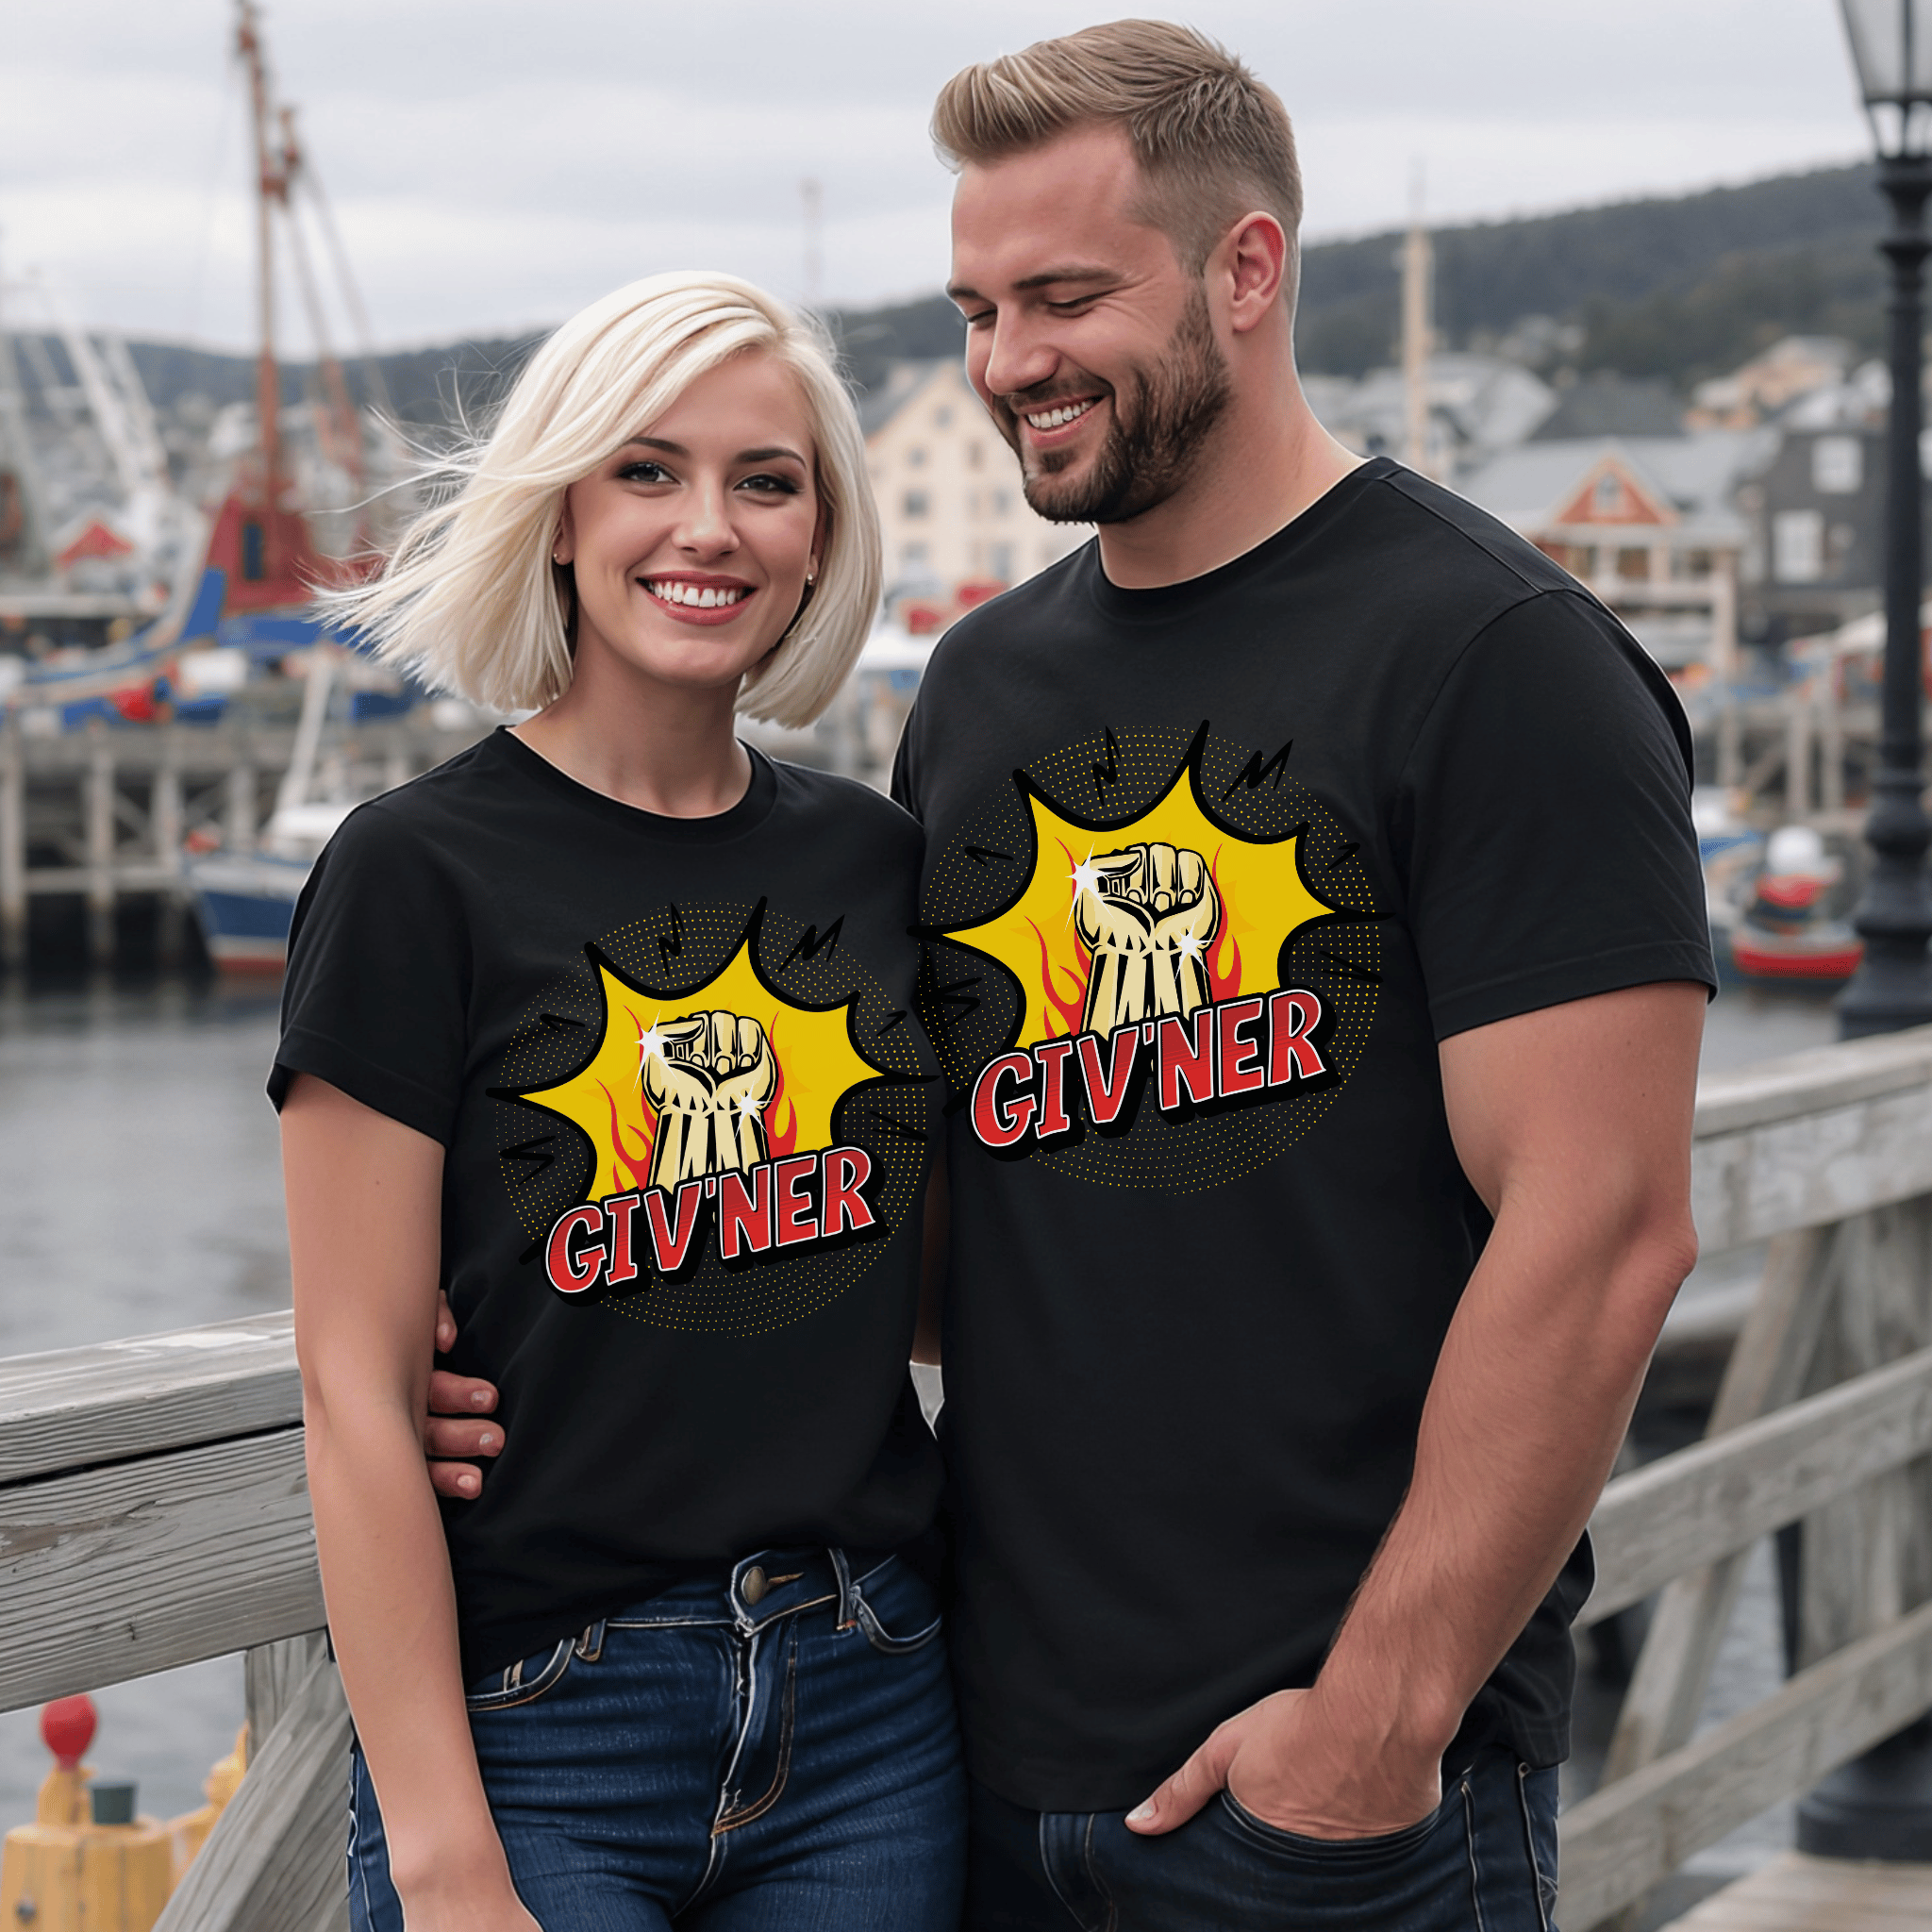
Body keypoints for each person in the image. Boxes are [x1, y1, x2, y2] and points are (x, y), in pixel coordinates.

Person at [426, 24, 1717, 1929]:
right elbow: (942, 1204)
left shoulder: (1492, 654)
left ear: (1246, 271)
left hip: (1335, 1792)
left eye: (1062, 295)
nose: (1006, 356)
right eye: (975, 304)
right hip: (964, 1749)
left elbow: (1604, 1230)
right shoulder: (986, 689)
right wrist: (549, 1325)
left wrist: (1374, 1723)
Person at [276, 273, 963, 1932]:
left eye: (766, 480)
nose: (707, 527)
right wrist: (439, 1849)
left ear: (817, 535)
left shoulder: (873, 864)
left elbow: (929, 1294)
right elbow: (352, 1388)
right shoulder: (414, 873)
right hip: (539, 1729)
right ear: (562, 514)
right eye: (647, 471)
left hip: (868, 1695)